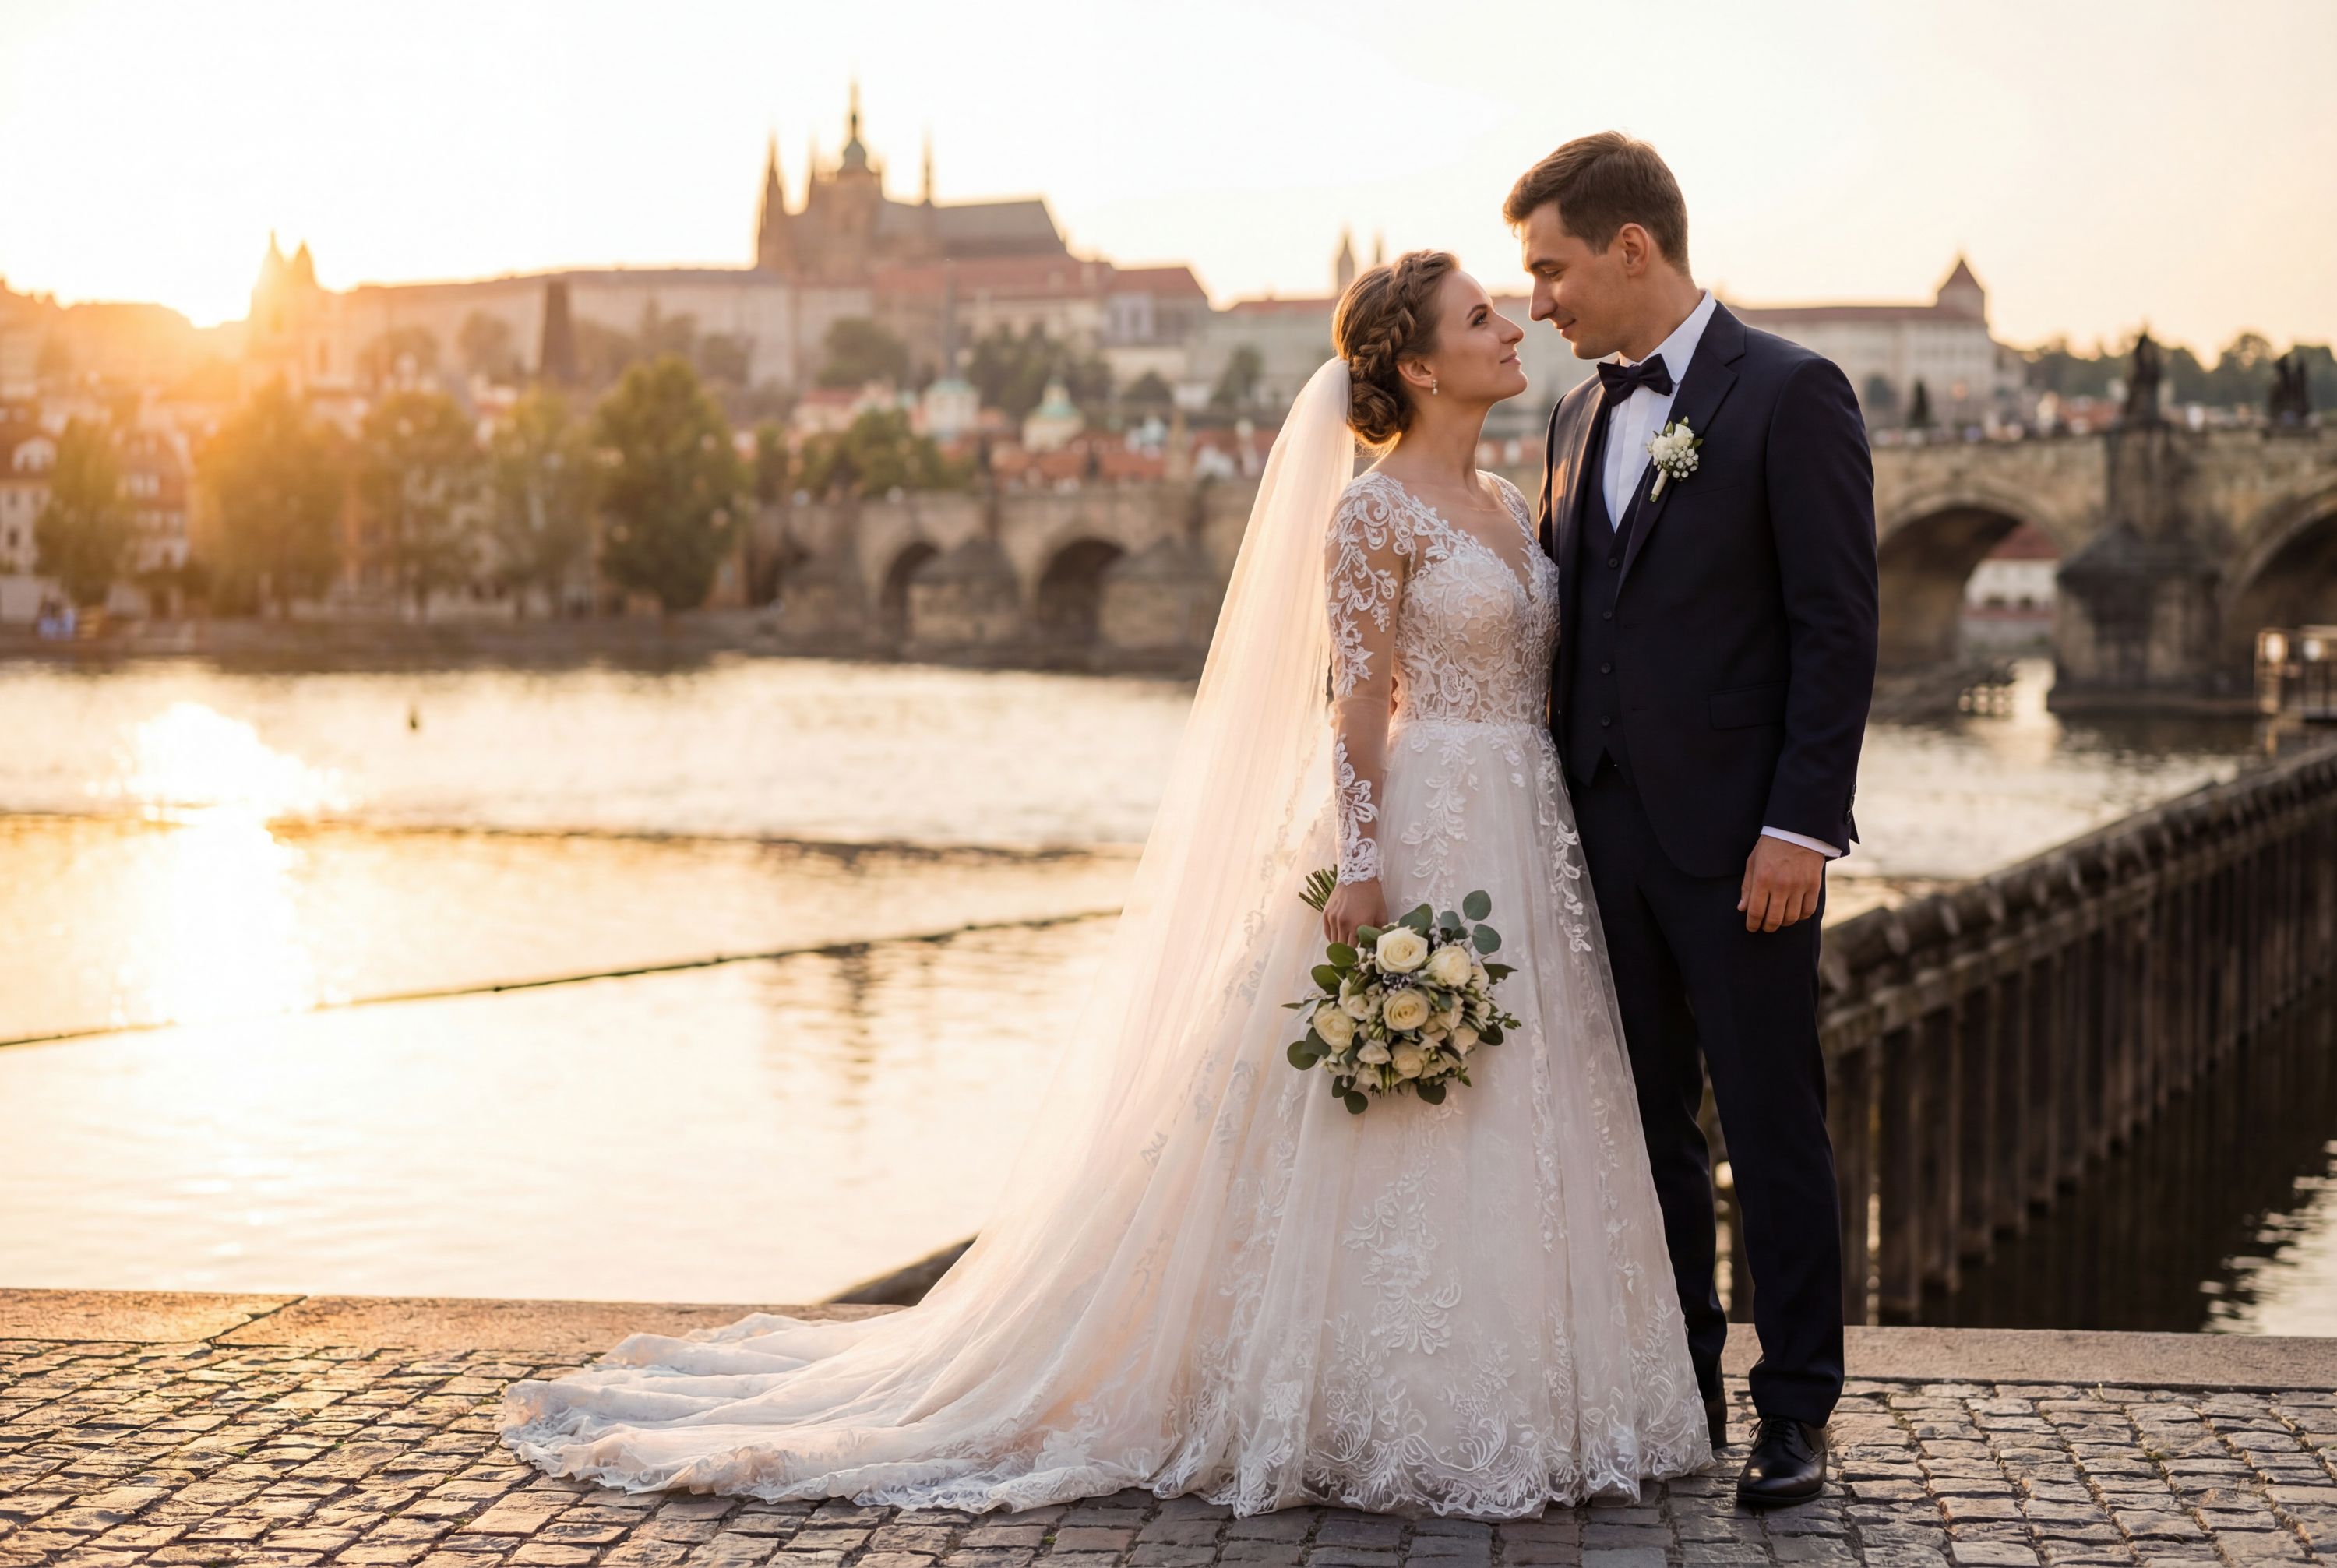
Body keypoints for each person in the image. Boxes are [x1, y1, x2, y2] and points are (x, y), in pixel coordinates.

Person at [499, 250, 1711, 1518]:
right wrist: (1362, 866)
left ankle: (1552, 1385)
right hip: (1425, 830)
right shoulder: (1371, 515)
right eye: (1481, 317)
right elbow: (1349, 709)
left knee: (1532, 1102)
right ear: (1417, 364)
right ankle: (1380, 1393)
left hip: (1529, 834)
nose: (1511, 328)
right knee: (1399, 1107)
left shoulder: (1519, 503)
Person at [1512, 132, 1880, 1504]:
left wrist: (1804, 825)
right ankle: (1679, 1387)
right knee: (1645, 1124)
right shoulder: (1575, 414)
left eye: (1549, 268)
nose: (1538, 299)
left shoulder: (1790, 393)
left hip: (1744, 846)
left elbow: (1835, 629)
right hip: (1598, 835)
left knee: (1773, 1118)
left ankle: (1796, 1409)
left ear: (1630, 248)